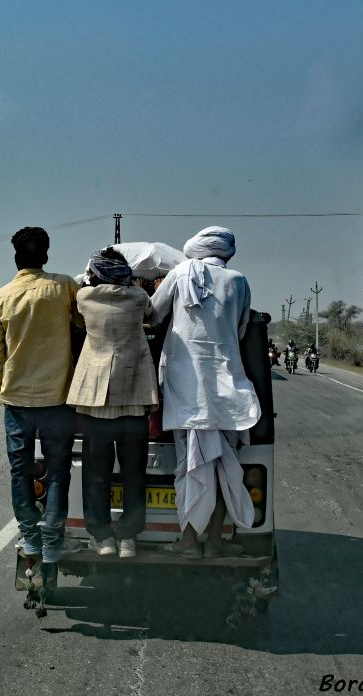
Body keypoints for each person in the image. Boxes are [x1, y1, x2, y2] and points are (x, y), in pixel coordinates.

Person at [149, 226, 261, 558]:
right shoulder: (239, 281)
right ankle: (213, 542)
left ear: (196, 249)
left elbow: (153, 315)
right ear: (226, 253)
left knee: (191, 466)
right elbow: (241, 330)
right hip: (227, 388)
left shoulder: (180, 273)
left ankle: (186, 541)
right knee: (224, 465)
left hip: (185, 390)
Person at [0, 227, 83, 564]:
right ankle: (54, 542)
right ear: (46, 256)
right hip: (58, 398)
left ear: (16, 258)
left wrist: (3, 385)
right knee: (57, 472)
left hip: (17, 401)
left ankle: (30, 538)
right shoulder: (65, 287)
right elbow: (85, 324)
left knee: (20, 471)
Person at [66, 248, 159, 559]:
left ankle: (103, 536)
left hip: (96, 398)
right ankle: (129, 537)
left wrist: (89, 276)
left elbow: (79, 291)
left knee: (97, 471)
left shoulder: (85, 298)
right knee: (134, 470)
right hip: (133, 394)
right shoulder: (138, 298)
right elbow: (154, 317)